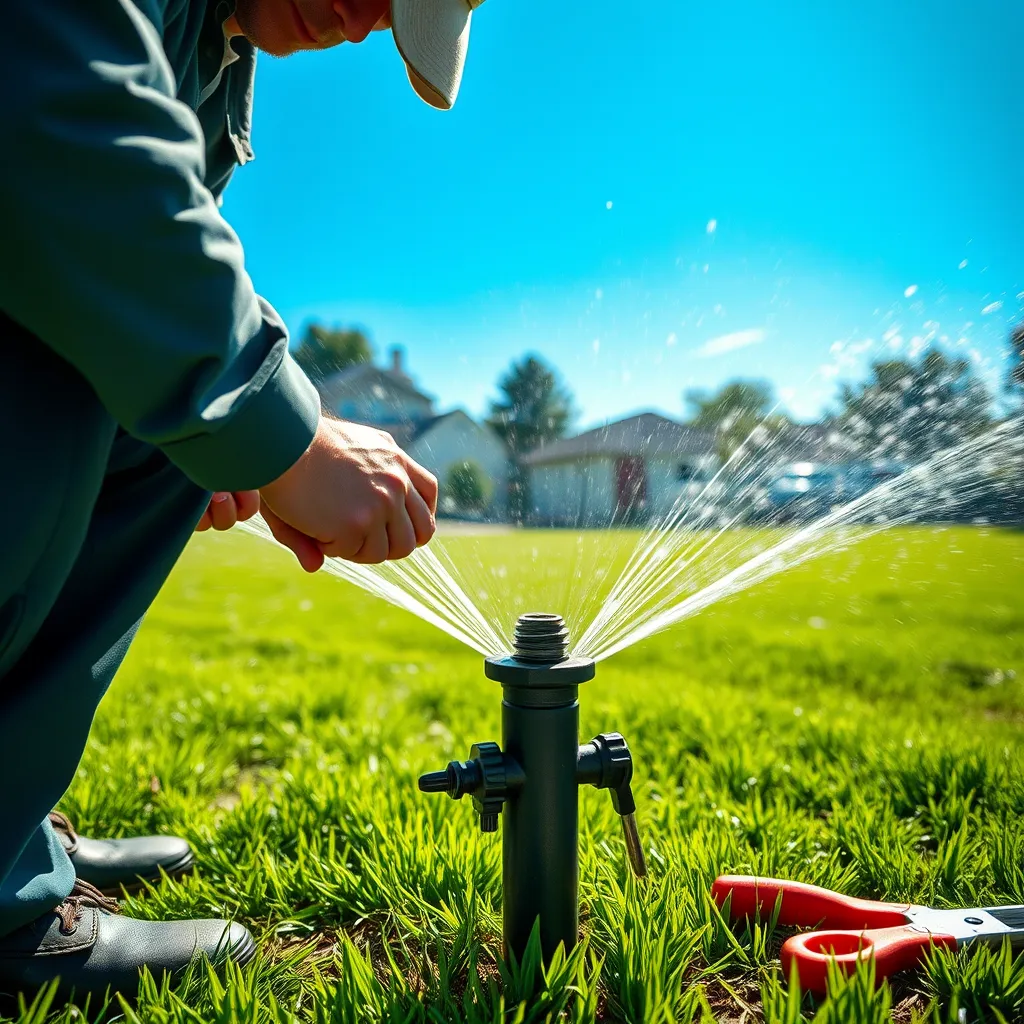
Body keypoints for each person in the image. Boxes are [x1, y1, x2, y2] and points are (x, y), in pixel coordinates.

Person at [0, 0, 487, 998]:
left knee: (160, 435)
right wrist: (282, 435)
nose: (359, 16)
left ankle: (3, 821)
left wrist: (238, 435)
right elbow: (58, 130)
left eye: (392, 18)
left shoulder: (213, 52)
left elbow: (163, 245)